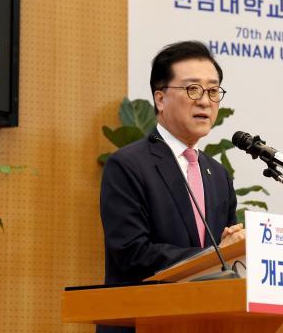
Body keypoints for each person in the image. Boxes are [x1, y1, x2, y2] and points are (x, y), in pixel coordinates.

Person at [98, 41, 245, 332]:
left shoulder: (218, 175)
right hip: (143, 322)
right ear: (161, 99)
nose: (205, 101)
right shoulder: (127, 165)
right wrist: (215, 254)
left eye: (213, 91)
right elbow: (132, 253)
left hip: (205, 322)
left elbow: (226, 263)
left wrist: (237, 249)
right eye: (193, 89)